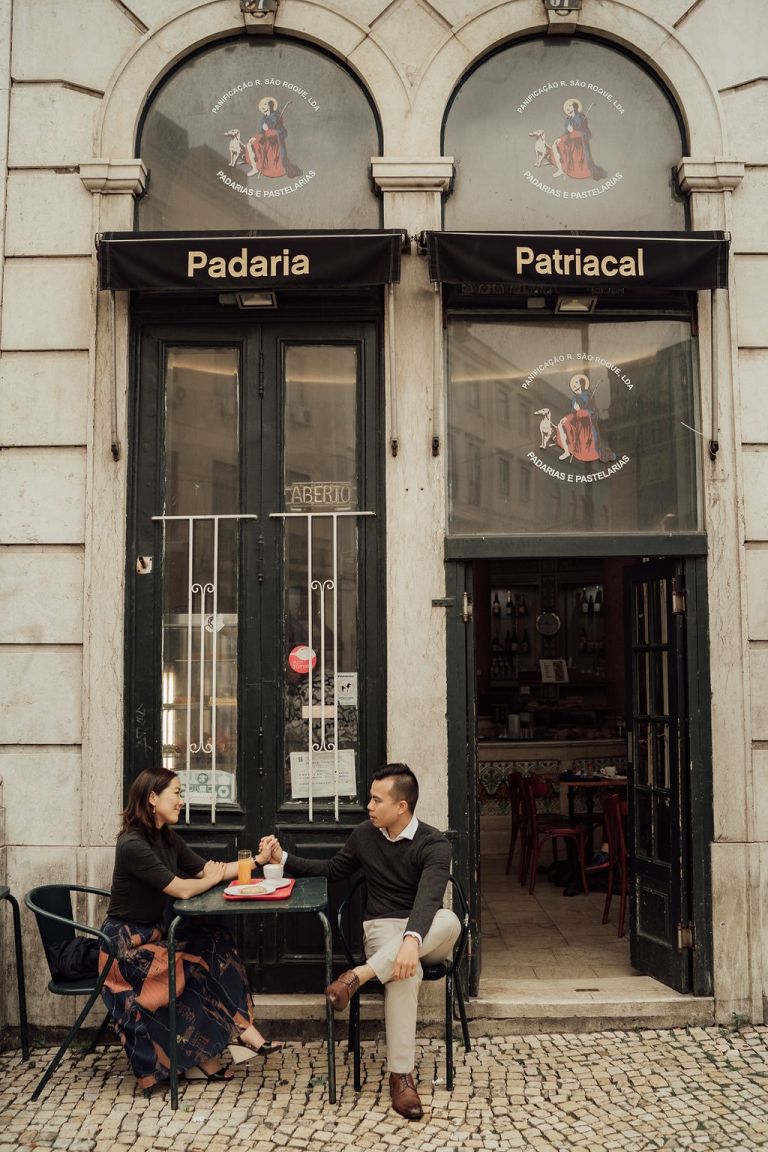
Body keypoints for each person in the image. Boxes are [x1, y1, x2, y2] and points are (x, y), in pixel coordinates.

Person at [260, 764, 461, 1121]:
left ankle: (358, 975)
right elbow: (332, 870)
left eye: (376, 800)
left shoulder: (435, 843)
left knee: (449, 919)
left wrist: (412, 940)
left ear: (402, 807)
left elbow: (430, 899)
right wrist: (283, 859)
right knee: (404, 973)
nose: (368, 806)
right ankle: (401, 1076)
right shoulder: (365, 835)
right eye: (370, 798)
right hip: (382, 929)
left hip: (428, 930)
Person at [99, 767, 283, 1090]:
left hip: (154, 938)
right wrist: (207, 878)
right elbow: (183, 889)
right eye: (177, 793)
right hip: (124, 951)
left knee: (217, 940)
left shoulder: (167, 839)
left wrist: (258, 860)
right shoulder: (132, 845)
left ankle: (239, 1031)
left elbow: (207, 871)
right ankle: (220, 1049)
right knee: (193, 967)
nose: (181, 801)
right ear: (153, 798)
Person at [551, 99, 607, 181]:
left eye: (570, 106)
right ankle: (560, 169)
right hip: (570, 137)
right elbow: (567, 132)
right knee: (555, 145)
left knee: (579, 154)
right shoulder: (568, 119)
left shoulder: (581, 116)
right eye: (566, 107)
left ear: (574, 107)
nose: (568, 108)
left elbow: (580, 127)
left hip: (580, 137)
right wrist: (560, 138)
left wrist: (573, 128)